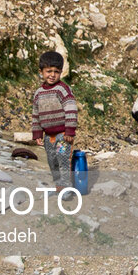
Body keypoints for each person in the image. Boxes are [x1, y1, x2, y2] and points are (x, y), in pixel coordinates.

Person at [32, 51, 79, 194]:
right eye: (48, 71)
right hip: (48, 136)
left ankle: (67, 187)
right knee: (52, 161)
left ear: (61, 73)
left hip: (63, 135)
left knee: (63, 159)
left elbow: (71, 109)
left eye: (56, 72)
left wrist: (70, 131)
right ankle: (59, 186)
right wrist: (37, 133)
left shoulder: (62, 90)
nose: (52, 75)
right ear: (41, 72)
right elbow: (36, 114)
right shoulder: (38, 92)